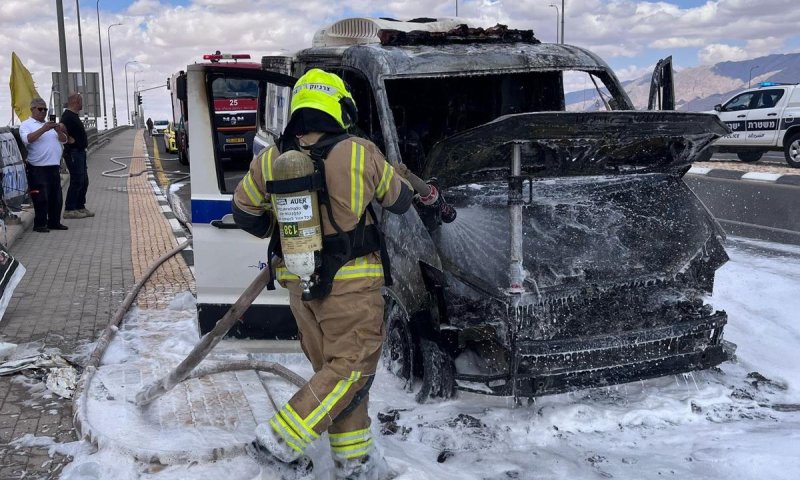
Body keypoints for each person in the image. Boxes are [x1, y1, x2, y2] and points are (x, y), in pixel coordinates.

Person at [232, 69, 413, 480]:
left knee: (338, 381)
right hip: (352, 286)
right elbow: (400, 201)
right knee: (351, 370)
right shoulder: (359, 152)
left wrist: (278, 225)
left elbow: (243, 211)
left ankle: (354, 464)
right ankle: (279, 439)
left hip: (302, 288)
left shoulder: (272, 158)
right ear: (338, 106)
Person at [19, 98, 69, 232]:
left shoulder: (50, 125)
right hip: (37, 167)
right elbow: (28, 139)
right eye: (40, 109)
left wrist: (58, 130)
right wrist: (43, 129)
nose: (43, 112)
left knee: (56, 197)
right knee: (41, 197)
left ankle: (54, 222)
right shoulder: (26, 125)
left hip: (53, 166)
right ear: (32, 109)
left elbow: (64, 140)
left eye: (45, 109)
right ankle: (40, 224)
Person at [61, 93, 94, 219]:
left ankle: (80, 206)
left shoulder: (73, 115)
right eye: (81, 101)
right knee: (77, 180)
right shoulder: (67, 116)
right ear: (75, 101)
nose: (82, 104)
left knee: (84, 180)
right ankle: (69, 209)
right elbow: (61, 127)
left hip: (80, 152)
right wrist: (69, 139)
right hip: (73, 153)